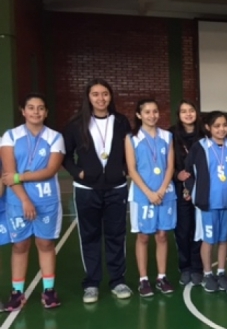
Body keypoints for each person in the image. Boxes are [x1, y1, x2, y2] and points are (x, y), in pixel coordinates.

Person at [62, 79, 133, 303]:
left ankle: (117, 280)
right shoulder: (76, 124)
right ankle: (91, 283)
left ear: (110, 96)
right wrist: (78, 173)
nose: (100, 98)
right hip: (86, 189)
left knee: (116, 235)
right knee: (89, 236)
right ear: (88, 97)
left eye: (105, 94)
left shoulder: (121, 121)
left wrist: (124, 170)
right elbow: (65, 155)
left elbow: (130, 150)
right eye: (95, 94)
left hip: (116, 188)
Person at [0, 93, 65, 310]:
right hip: (18, 201)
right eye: (31, 107)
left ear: (46, 112)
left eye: (40, 108)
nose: (36, 112)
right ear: (23, 111)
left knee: (45, 244)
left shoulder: (55, 137)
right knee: (20, 245)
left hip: (47, 200)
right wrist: (25, 199)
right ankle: (17, 292)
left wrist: (19, 177)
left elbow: (50, 170)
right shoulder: (10, 137)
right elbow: (8, 174)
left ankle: (49, 290)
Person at [125, 99, 177, 297]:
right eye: (147, 112)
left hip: (165, 192)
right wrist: (149, 193)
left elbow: (170, 166)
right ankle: (143, 279)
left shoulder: (167, 136)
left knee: (162, 235)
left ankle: (162, 277)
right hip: (142, 194)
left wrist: (162, 190)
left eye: (155, 111)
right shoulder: (132, 138)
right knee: (143, 236)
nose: (152, 115)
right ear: (139, 115)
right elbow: (131, 169)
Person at [185, 111, 227, 293]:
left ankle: (221, 272)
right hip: (207, 203)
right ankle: (207, 273)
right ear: (208, 127)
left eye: (224, 125)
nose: (221, 129)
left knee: (223, 239)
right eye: (217, 126)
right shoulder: (200, 147)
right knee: (208, 240)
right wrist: (194, 192)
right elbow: (187, 171)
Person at [170, 100, 206, 286]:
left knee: (199, 228)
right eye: (184, 111)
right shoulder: (171, 135)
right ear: (179, 115)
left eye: (191, 110)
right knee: (183, 229)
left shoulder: (205, 133)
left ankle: (197, 267)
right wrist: (177, 175)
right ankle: (185, 267)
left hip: (201, 187)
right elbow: (166, 161)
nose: (188, 114)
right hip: (180, 187)